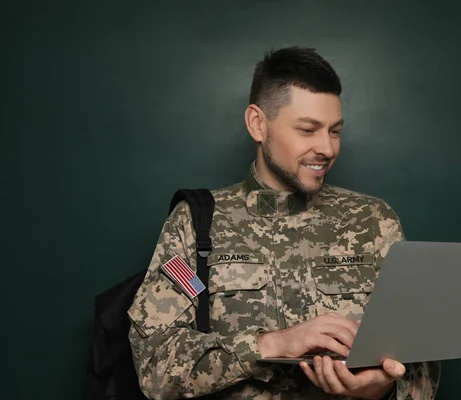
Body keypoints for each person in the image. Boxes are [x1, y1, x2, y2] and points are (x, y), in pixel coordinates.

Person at [127, 46, 441, 400]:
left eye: (335, 131)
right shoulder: (197, 223)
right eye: (308, 130)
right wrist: (274, 344)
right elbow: (155, 366)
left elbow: (421, 365)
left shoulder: (374, 221)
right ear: (258, 124)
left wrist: (381, 387)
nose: (327, 148)